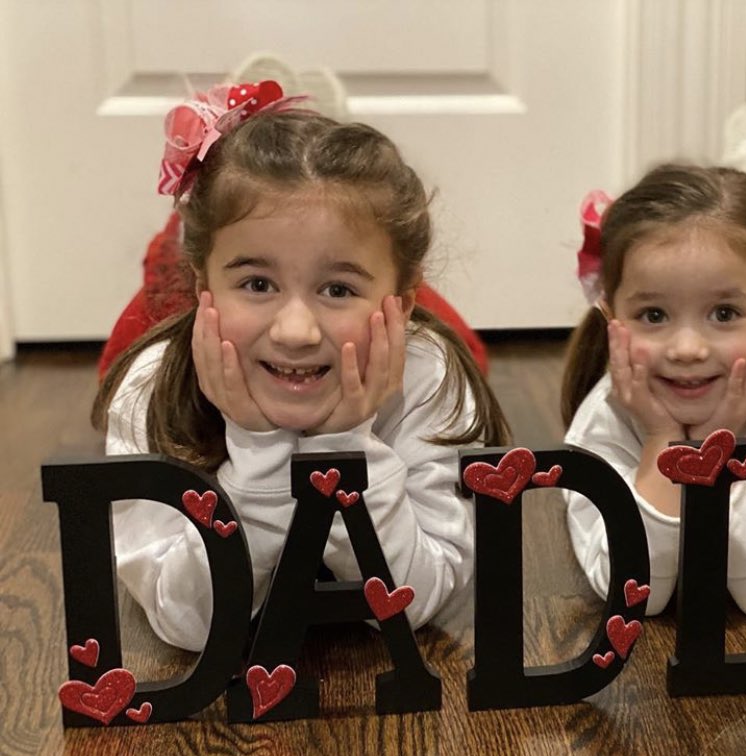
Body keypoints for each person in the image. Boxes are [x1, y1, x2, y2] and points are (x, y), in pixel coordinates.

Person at [92, 81, 509, 651]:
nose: (295, 331)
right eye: (257, 284)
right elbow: (188, 624)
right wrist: (257, 450)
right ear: (201, 284)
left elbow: (418, 603)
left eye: (337, 289)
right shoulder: (150, 388)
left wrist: (345, 446)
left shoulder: (426, 377)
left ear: (403, 303)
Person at [561, 163, 746, 617]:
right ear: (611, 317)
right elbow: (634, 595)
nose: (687, 349)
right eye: (654, 315)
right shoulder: (606, 415)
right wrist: (664, 442)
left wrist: (713, 450)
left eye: (724, 314)